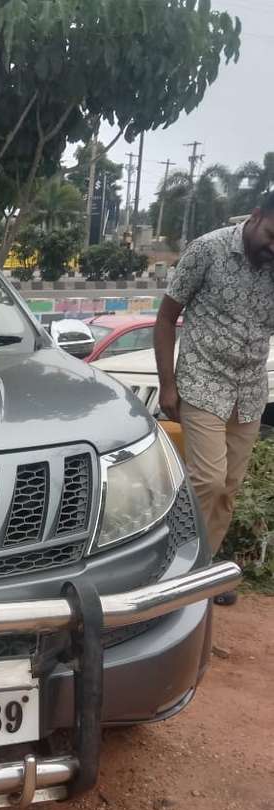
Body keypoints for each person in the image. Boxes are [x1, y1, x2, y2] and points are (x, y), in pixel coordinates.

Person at [154, 193, 274, 604]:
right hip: (203, 383)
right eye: (272, 235)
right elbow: (167, 317)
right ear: (256, 217)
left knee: (230, 487)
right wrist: (167, 384)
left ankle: (202, 569)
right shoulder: (208, 249)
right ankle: (174, 566)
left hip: (250, 391)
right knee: (208, 480)